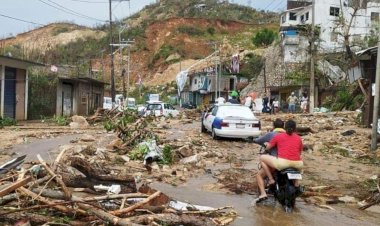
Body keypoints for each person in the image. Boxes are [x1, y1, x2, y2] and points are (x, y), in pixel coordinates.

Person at [253, 119, 303, 204]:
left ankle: (268, 184)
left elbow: (267, 146)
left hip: (281, 163)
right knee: (299, 163)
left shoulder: (276, 136)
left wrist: (265, 145)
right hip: (298, 164)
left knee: (262, 158)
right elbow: (299, 152)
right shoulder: (298, 138)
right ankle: (297, 183)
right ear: (295, 129)